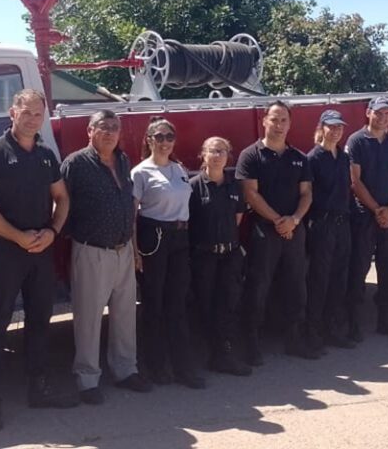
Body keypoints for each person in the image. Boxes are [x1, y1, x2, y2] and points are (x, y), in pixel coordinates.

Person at [0, 88, 76, 432]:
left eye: (38, 113)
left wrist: (52, 232)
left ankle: (38, 388)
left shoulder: (46, 155)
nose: (33, 119)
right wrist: (18, 236)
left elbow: (62, 197)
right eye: (26, 112)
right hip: (7, 251)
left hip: (41, 250)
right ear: (12, 113)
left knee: (40, 321)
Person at [61, 110, 153, 406]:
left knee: (125, 315)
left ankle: (126, 370)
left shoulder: (124, 160)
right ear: (89, 130)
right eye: (103, 127)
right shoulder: (75, 163)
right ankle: (87, 379)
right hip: (92, 250)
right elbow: (61, 202)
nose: (110, 132)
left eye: (115, 127)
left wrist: (134, 249)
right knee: (88, 318)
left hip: (123, 250)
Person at [235, 101, 316, 365]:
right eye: (274, 119)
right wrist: (279, 220)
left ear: (290, 124)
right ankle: (250, 341)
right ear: (264, 121)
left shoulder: (299, 158)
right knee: (258, 286)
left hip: (294, 229)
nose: (279, 125)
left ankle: (294, 338)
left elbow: (306, 194)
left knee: (297, 284)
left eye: (284, 120)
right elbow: (250, 193)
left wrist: (293, 220)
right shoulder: (250, 155)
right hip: (264, 230)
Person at [132, 117, 206, 389]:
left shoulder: (180, 169)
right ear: (149, 140)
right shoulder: (140, 172)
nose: (164, 142)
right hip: (154, 237)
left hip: (180, 237)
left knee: (177, 304)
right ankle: (155, 365)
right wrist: (134, 251)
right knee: (154, 304)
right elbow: (132, 216)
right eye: (159, 136)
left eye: (169, 136)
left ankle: (183, 366)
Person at [345, 96, 388, 340]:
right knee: (359, 266)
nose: (383, 118)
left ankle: (387, 319)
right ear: (368, 113)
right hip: (364, 214)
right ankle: (353, 321)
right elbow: (355, 181)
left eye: (387, 114)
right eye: (379, 113)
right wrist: (376, 210)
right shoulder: (357, 140)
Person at [189, 136, 252, 377]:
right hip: (204, 257)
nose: (217, 156)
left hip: (229, 256)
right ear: (203, 155)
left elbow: (237, 220)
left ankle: (224, 355)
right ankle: (206, 353)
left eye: (222, 151)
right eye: (212, 151)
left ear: (228, 156)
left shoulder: (234, 187)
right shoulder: (193, 187)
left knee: (228, 306)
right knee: (205, 306)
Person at [305, 110, 356, 351]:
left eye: (339, 127)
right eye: (331, 126)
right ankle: (312, 333)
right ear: (321, 128)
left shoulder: (344, 158)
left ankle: (332, 328)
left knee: (339, 278)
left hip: (342, 224)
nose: (336, 131)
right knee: (319, 279)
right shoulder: (313, 158)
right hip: (322, 224)